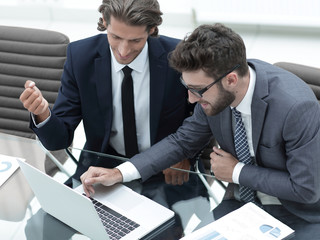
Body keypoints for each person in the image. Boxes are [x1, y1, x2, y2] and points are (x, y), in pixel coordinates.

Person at [80, 23, 320, 239]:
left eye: (197, 90)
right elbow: (182, 141)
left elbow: (305, 189)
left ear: (231, 80)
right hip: (241, 204)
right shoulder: (215, 95)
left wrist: (237, 171)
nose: (191, 99)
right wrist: (119, 173)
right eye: (187, 87)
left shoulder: (296, 108)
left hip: (299, 213)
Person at [19, 0, 208, 209]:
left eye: (135, 40)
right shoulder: (80, 56)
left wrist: (184, 155)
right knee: (50, 221)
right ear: (103, 23)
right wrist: (43, 114)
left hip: (166, 168)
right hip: (102, 166)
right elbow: (58, 140)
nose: (124, 50)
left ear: (152, 30)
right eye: (115, 37)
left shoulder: (177, 56)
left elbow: (203, 114)